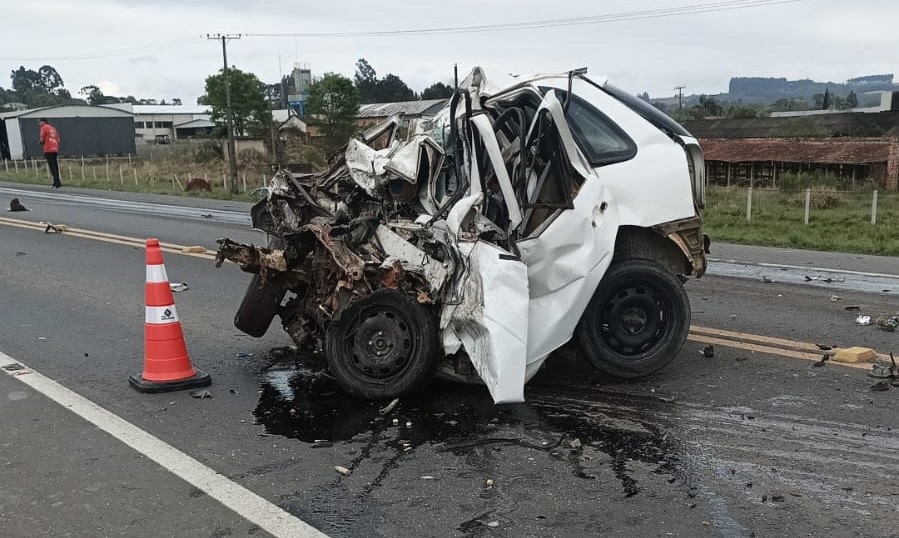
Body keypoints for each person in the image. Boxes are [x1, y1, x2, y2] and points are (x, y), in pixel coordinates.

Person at [38, 118, 61, 188]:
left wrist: (40, 142)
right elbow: (59, 140)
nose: (39, 124)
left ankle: (56, 183)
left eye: (39, 122)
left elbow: (41, 140)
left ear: (43, 122)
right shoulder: (53, 128)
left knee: (52, 166)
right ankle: (57, 182)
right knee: (55, 166)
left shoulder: (43, 128)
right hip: (55, 149)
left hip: (48, 149)